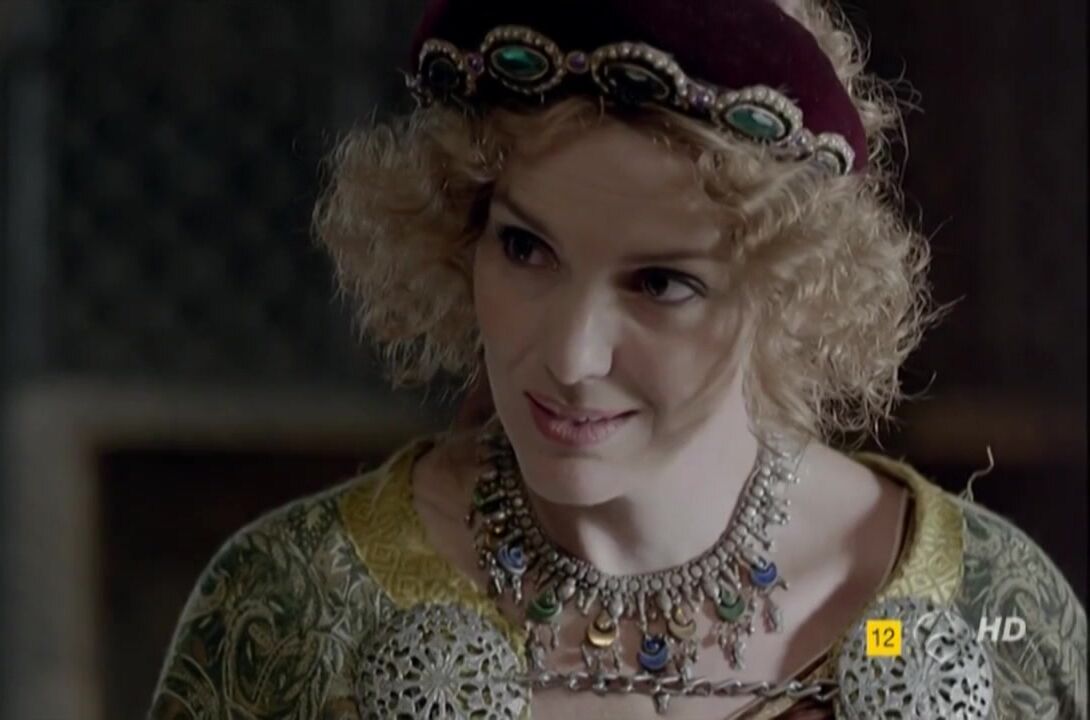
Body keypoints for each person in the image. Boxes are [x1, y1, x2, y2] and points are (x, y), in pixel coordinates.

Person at [149, 0, 1087, 718]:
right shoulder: (294, 609)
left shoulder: (984, 612)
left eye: (661, 283)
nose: (571, 354)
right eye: (526, 249)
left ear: (787, 291)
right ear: (458, 235)